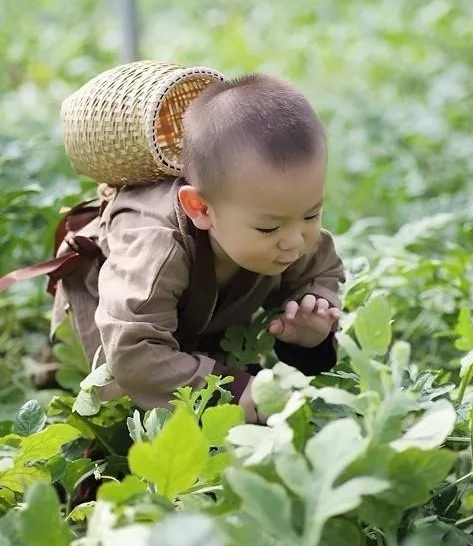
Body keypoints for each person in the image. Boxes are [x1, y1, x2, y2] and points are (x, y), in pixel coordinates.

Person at [47, 72, 345, 423]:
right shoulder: (155, 246)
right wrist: (233, 392)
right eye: (269, 226)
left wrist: (311, 334)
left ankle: (197, 352)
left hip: (199, 308)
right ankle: (50, 365)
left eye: (312, 214)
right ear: (201, 209)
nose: (296, 240)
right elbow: (132, 352)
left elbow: (320, 271)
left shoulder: (278, 220)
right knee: (119, 409)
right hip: (110, 306)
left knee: (218, 360)